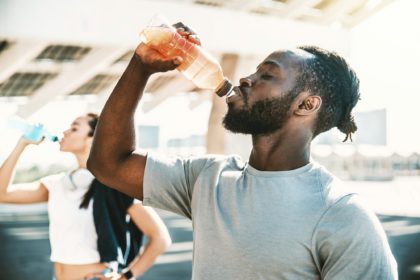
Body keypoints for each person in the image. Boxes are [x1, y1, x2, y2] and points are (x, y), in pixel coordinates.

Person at [87, 24, 398, 279]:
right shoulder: (208, 178)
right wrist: (140, 67)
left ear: (306, 105)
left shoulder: (343, 215)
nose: (246, 79)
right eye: (254, 72)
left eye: (267, 75)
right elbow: (108, 164)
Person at [0, 113, 171, 280]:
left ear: (92, 138)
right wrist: (22, 144)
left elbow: (160, 239)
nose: (65, 131)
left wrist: (126, 276)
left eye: (74, 128)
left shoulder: (114, 186)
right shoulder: (58, 184)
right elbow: (3, 194)